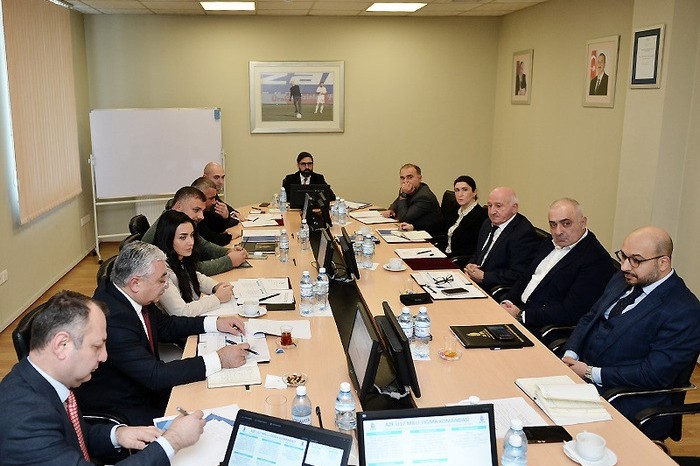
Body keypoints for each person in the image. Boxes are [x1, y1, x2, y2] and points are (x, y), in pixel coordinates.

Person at [0, 290, 206, 465]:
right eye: (97, 346)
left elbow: (74, 435)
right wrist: (173, 441)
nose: (104, 356)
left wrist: (117, 435)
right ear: (62, 345)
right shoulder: (25, 419)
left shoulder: (48, 381)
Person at [75, 242, 250, 426]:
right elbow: (155, 375)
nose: (167, 286)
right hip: (126, 406)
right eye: (161, 280)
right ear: (135, 283)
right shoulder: (113, 319)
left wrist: (214, 323)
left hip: (146, 385)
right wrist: (220, 359)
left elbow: (166, 326)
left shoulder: (133, 295)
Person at [562, 226, 700, 439]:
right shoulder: (623, 278)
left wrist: (590, 372)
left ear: (663, 263)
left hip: (625, 397)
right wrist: (571, 353)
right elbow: (591, 316)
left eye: (636, 260)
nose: (625, 266)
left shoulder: (684, 310)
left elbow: (652, 374)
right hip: (581, 376)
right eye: (623, 256)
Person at [500, 198, 616, 337]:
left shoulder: (595, 259)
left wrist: (521, 315)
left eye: (566, 223)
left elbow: (571, 311)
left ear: (583, 222)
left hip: (541, 328)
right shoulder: (550, 242)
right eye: (553, 225)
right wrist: (508, 301)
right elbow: (527, 277)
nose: (558, 231)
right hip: (517, 311)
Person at [142, 186, 248, 275]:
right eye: (196, 210)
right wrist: (229, 261)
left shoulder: (181, 222)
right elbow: (188, 268)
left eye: (202, 211)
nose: (201, 216)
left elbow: (203, 245)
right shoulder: (167, 227)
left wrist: (227, 252)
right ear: (178, 206)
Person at [153, 210, 233, 317]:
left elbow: (194, 276)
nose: (190, 242)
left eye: (191, 235)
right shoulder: (160, 270)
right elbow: (181, 312)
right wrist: (217, 298)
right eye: (183, 237)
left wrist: (216, 287)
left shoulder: (179, 258)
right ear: (167, 239)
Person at [465, 187, 540, 292]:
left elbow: (519, 274)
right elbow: (478, 253)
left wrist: (485, 277)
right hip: (473, 282)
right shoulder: (487, 223)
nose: (492, 211)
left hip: (494, 289)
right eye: (490, 206)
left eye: (498, 206)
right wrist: (470, 265)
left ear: (514, 208)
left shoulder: (523, 233)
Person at [382, 163, 443, 236]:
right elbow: (396, 203)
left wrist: (403, 195)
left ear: (420, 178)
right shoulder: (408, 190)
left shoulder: (424, 196)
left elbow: (403, 218)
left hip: (430, 237)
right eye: (402, 178)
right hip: (412, 232)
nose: (405, 181)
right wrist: (391, 210)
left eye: (410, 177)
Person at [441, 175, 487, 259]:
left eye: (465, 190)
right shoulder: (454, 211)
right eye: (457, 190)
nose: (460, 194)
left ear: (474, 192)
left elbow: (473, 249)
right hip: (444, 255)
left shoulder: (481, 216)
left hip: (459, 260)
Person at [191, 177, 233, 246]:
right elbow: (212, 239)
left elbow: (217, 228)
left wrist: (225, 217)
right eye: (211, 198)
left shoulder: (206, 210)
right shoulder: (193, 215)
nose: (214, 202)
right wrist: (230, 236)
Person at [202, 161, 240, 233]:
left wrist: (233, 213)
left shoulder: (212, 192)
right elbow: (216, 223)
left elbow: (221, 204)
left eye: (222, 177)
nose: (221, 182)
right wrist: (236, 219)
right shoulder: (202, 195)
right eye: (216, 177)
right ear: (205, 178)